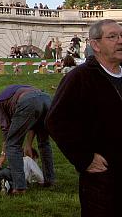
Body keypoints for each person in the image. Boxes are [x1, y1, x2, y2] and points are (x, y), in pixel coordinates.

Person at [46, 19, 122, 216]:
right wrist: (84, 158)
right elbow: (55, 121)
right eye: (113, 37)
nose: (120, 41)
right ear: (95, 44)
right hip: (103, 177)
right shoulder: (79, 78)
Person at [0, 85, 55, 194]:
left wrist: (2, 156)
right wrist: (28, 144)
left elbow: (6, 129)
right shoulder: (10, 95)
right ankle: (49, 180)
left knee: (13, 144)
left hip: (28, 101)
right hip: (46, 98)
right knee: (44, 142)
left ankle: (19, 187)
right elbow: (33, 123)